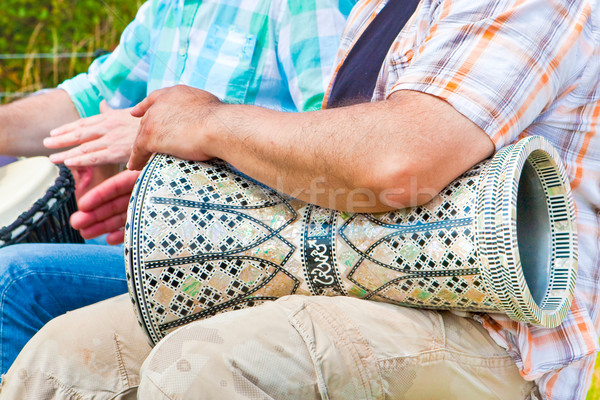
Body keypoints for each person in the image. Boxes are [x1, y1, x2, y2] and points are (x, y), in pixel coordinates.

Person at [3, 0, 600, 399]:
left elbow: (397, 164)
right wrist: (178, 187)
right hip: (338, 279)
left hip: (496, 329)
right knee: (64, 355)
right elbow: (327, 167)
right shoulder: (381, 7)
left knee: (213, 362)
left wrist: (210, 124)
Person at [0, 0, 351, 377]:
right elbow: (89, 99)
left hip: (247, 251)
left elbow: (333, 145)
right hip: (145, 235)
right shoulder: (165, 7)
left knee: (17, 280)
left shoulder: (301, 7)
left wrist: (173, 136)